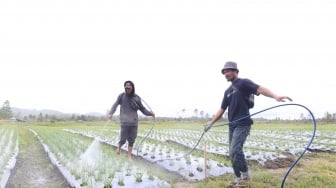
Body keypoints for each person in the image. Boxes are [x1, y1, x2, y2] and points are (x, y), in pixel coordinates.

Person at [204, 61, 292, 186]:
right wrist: (210, 123)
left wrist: (275, 96)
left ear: (235, 71)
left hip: (243, 123)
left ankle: (246, 177)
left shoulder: (244, 83)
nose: (226, 74)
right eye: (224, 72)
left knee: (235, 150)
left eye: (229, 71)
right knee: (231, 154)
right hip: (232, 125)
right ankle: (238, 179)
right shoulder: (227, 91)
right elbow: (222, 109)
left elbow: (260, 89)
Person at [108, 80, 155, 161]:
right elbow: (115, 105)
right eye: (126, 88)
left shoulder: (137, 98)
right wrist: (111, 113)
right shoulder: (121, 96)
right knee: (123, 139)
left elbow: (143, 109)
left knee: (131, 140)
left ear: (132, 88)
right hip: (124, 121)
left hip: (134, 122)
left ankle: (129, 156)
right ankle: (119, 147)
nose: (127, 89)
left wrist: (150, 113)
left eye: (129, 88)